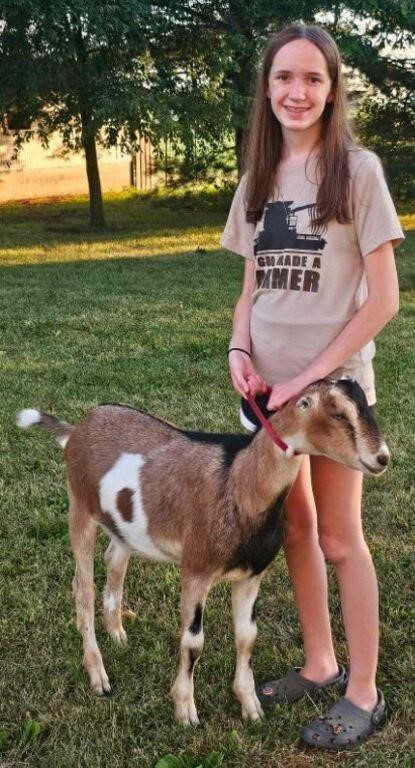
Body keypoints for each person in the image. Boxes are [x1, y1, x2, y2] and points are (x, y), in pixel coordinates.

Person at [220, 24, 404, 751]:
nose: (295, 93)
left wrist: (306, 377)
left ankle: (363, 691)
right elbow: (248, 289)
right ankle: (319, 661)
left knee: (337, 537)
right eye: (282, 79)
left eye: (311, 79)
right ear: (265, 90)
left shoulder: (356, 171)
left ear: (332, 89)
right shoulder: (257, 176)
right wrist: (238, 347)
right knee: (290, 528)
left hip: (326, 401)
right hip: (264, 395)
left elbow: (384, 299)